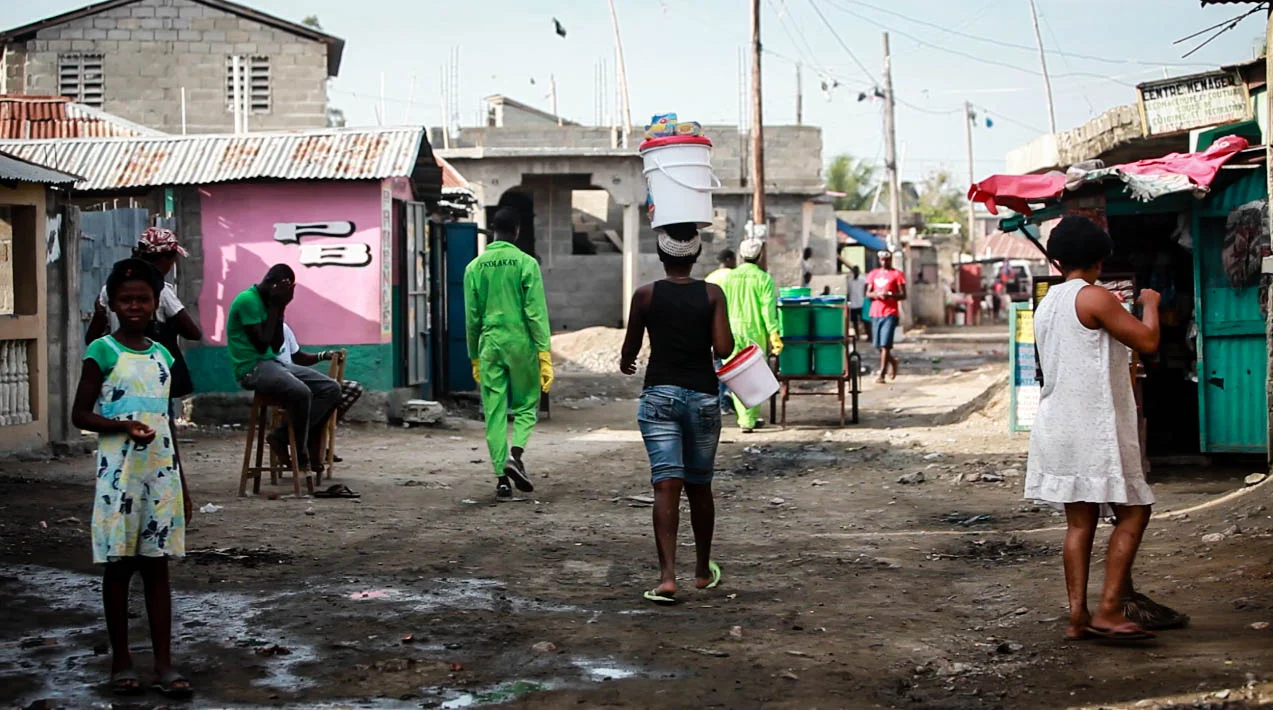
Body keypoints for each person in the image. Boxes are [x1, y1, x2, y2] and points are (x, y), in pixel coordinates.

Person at [1026, 216, 1160, 642]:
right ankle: (1107, 609)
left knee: (1079, 523)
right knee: (1135, 512)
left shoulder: (1048, 302)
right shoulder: (1095, 298)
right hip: (1092, 426)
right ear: (1101, 260)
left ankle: (1077, 617)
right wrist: (1151, 304)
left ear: (1059, 259)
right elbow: (1148, 341)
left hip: (1057, 424)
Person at [71, 259, 192, 699]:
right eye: (127, 299)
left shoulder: (162, 355)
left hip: (160, 476)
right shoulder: (101, 351)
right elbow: (80, 413)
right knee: (119, 569)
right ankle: (122, 661)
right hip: (119, 477)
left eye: (143, 299)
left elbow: (165, 420)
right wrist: (121, 426)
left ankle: (163, 663)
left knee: (157, 570)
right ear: (113, 303)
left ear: (156, 303)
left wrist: (182, 482)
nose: (135, 306)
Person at [620, 223, 734, 604]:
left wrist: (626, 363)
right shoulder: (713, 294)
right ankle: (701, 571)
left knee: (666, 484)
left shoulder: (645, 295)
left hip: (660, 397)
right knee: (699, 485)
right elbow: (723, 347)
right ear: (697, 255)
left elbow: (630, 350)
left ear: (661, 255)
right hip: (702, 397)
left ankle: (668, 577)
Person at [86, 228, 202, 474]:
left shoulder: (110, 288)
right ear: (161, 259)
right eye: (170, 258)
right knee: (162, 431)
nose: (134, 306)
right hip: (149, 373)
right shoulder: (161, 292)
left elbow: (92, 334)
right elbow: (193, 331)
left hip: (115, 377)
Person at [465, 207, 554, 499]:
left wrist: (474, 356)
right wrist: (544, 353)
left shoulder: (474, 267)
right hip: (521, 344)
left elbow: (472, 318)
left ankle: (502, 479)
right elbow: (536, 313)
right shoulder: (526, 264)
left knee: (494, 411)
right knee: (527, 404)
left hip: (489, 344)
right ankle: (516, 454)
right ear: (516, 231)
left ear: (493, 230)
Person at [228, 264, 340, 473]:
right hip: (251, 368)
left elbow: (275, 344)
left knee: (330, 388)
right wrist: (274, 306)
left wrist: (280, 309)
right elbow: (261, 345)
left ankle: (282, 436)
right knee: (301, 392)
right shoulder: (248, 301)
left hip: (273, 364)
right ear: (271, 283)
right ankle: (299, 451)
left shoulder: (271, 303)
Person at [721, 238, 782, 432]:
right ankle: (748, 419)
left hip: (730, 332)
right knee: (753, 377)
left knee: (736, 377)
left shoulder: (728, 278)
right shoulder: (763, 279)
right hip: (754, 333)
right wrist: (774, 333)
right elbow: (767, 311)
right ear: (759, 256)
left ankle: (748, 417)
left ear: (741, 255)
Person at [276, 322, 364, 423]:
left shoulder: (284, 328)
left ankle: (320, 424)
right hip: (284, 381)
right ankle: (305, 427)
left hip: (296, 377)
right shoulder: (262, 331)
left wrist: (323, 355)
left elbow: (299, 357)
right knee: (324, 390)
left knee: (351, 388)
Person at [704, 248, 737, 414]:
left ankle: (720, 403)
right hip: (733, 325)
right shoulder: (735, 276)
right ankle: (727, 403)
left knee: (718, 367)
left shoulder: (710, 278)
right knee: (734, 367)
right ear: (730, 259)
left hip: (712, 327)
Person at [866, 250, 906, 383]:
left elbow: (903, 294)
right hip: (876, 312)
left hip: (890, 312)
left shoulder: (897, 274)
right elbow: (868, 293)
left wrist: (890, 295)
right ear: (879, 260)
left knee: (885, 345)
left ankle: (882, 373)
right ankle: (893, 361)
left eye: (887, 259)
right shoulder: (873, 274)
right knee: (877, 344)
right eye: (882, 259)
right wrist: (876, 295)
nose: (884, 262)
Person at [846, 265, 868, 342]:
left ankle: (868, 335)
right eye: (854, 270)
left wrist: (866, 299)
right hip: (853, 303)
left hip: (861, 302)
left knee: (864, 320)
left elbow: (866, 290)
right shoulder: (850, 281)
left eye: (856, 270)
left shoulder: (863, 280)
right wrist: (848, 302)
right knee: (854, 321)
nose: (855, 272)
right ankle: (857, 335)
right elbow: (848, 292)